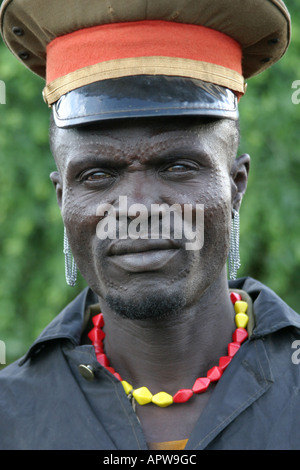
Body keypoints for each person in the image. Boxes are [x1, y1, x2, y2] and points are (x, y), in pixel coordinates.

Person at [0, 0, 300, 451]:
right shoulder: (11, 414)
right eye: (98, 175)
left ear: (236, 186)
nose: (136, 208)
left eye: (178, 166)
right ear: (64, 199)